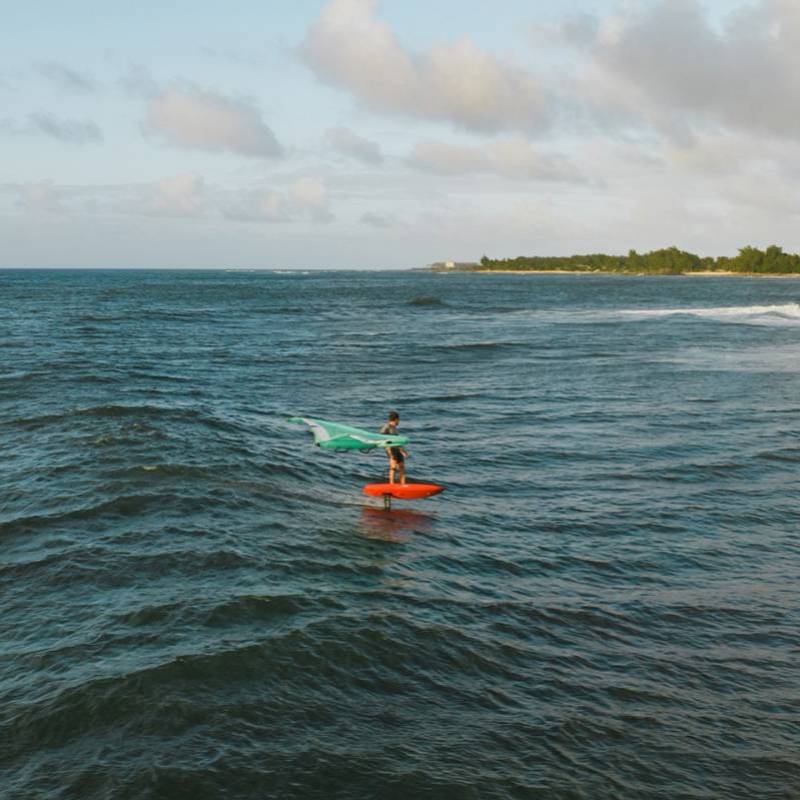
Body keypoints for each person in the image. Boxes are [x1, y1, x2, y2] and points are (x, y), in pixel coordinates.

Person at [380, 410, 408, 484]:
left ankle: (403, 484)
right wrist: (388, 449)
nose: (399, 421)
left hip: (397, 448)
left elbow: (397, 441)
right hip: (391, 448)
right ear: (396, 419)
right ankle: (391, 484)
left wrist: (402, 450)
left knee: (402, 466)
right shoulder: (386, 427)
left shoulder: (395, 428)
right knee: (393, 466)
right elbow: (381, 437)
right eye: (399, 420)